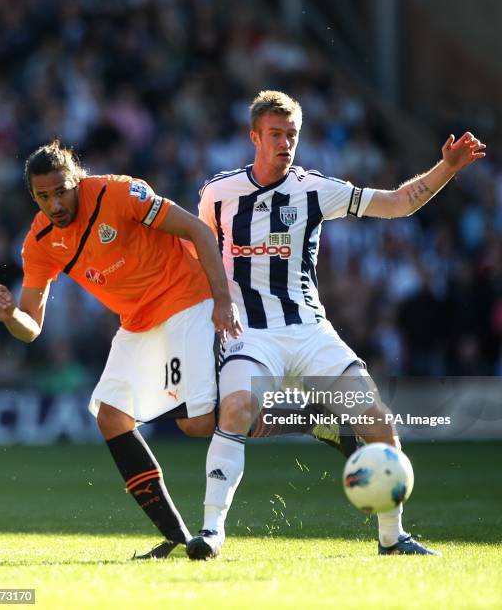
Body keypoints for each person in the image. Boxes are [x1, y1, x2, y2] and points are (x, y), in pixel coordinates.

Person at [186, 90, 486, 560]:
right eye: (275, 135)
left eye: (292, 135)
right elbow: (198, 252)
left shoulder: (314, 189)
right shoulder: (219, 194)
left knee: (379, 423)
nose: (285, 144)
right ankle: (211, 532)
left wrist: (446, 167)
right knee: (238, 408)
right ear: (254, 137)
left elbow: (398, 203)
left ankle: (392, 538)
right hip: (250, 333)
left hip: (309, 330)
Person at [0, 140, 242, 559]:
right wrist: (10, 316)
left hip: (185, 297)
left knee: (197, 425)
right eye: (44, 197)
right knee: (111, 417)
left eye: (61, 191)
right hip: (138, 322)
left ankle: (302, 414)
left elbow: (196, 230)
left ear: (78, 181)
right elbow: (31, 329)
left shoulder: (118, 193)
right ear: (33, 197)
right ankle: (180, 540)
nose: (55, 204)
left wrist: (221, 299)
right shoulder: (40, 241)